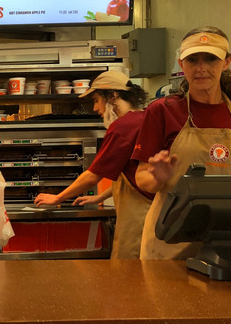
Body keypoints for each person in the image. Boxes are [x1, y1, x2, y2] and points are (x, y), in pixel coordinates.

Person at [133, 26, 231, 260]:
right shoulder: (163, 111)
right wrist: (157, 177)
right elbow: (142, 178)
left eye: (211, 58)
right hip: (171, 239)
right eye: (193, 60)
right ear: (181, 64)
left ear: (226, 62)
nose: (201, 68)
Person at [34, 71, 152, 259]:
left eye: (97, 100)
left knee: (130, 272)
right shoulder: (145, 118)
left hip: (139, 217)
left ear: (113, 96)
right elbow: (130, 173)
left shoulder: (123, 126)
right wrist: (99, 198)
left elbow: (92, 174)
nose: (96, 108)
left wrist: (58, 198)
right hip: (150, 211)